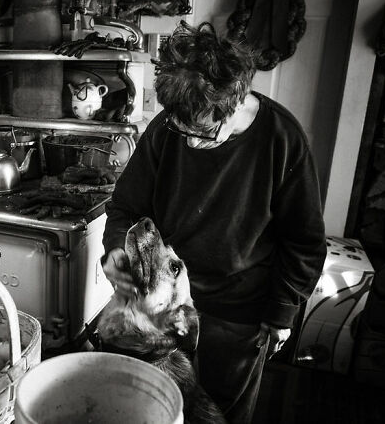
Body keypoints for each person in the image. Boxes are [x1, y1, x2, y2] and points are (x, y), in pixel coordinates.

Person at [101, 21, 326, 424]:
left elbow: (304, 242)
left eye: (203, 132)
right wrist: (118, 248)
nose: (188, 141)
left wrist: (281, 313)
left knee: (219, 415)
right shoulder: (167, 130)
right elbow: (125, 207)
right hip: (162, 309)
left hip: (238, 314)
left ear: (236, 102)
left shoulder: (282, 138)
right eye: (179, 127)